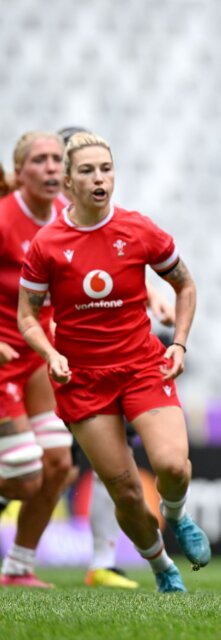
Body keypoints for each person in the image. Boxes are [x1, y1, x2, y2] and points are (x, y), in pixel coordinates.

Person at [17, 132, 210, 593]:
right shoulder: (47, 244)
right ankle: (162, 567)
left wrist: (179, 344)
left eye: (105, 169)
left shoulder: (138, 229)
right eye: (87, 171)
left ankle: (177, 514)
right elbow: (27, 315)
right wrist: (51, 353)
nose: (99, 178)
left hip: (142, 367)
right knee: (124, 489)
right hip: (83, 379)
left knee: (173, 467)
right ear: (69, 181)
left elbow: (185, 285)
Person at [0, 132, 74, 588]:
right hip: (3, 359)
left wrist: (148, 294)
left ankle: (17, 568)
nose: (51, 167)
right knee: (25, 477)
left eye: (56, 159)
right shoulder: (4, 218)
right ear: (19, 170)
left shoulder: (68, 215)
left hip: (38, 357)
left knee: (59, 464)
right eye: (40, 159)